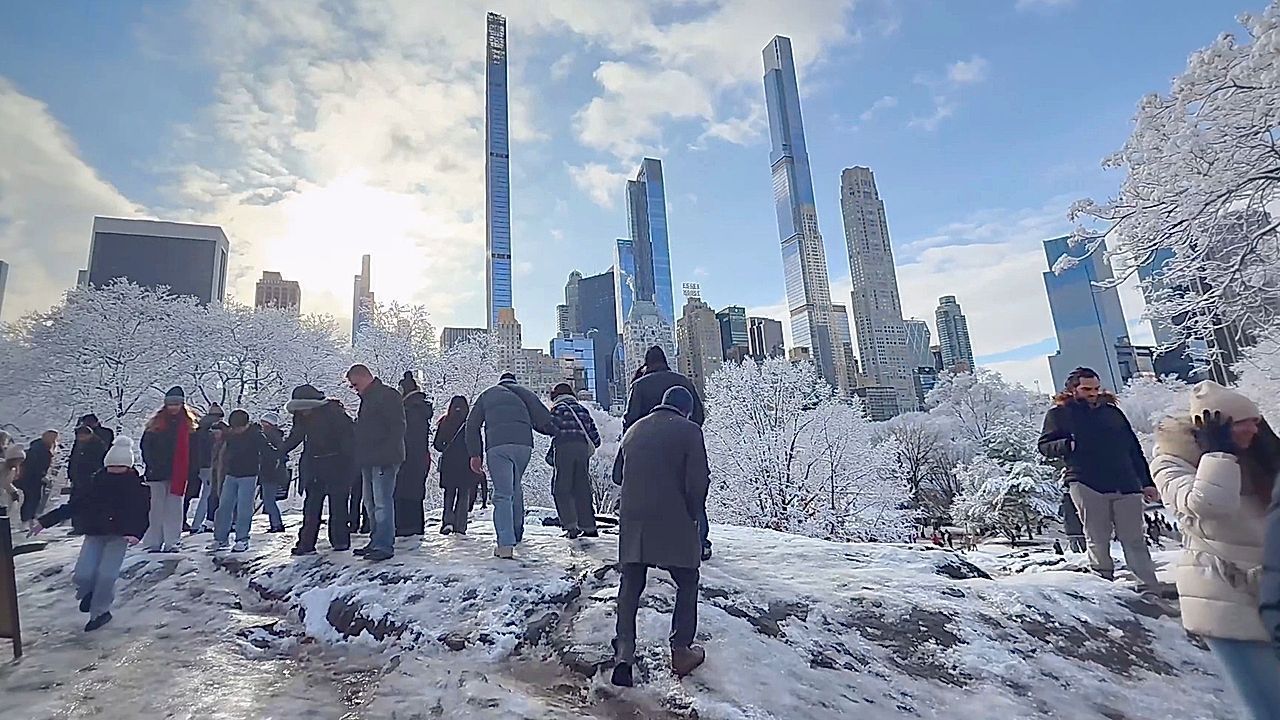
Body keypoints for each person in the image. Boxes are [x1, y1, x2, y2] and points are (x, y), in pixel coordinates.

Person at [1151, 381, 1280, 717]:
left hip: (1270, 591)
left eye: (1257, 421)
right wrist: (1219, 455)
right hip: (1224, 597)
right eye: (1243, 423)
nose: (1253, 428)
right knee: (1269, 706)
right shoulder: (1171, 462)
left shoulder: (1259, 455)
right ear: (1215, 429)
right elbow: (1210, 504)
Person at [610, 386, 710, 687]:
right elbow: (697, 482)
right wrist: (694, 516)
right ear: (686, 410)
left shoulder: (633, 431)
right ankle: (681, 651)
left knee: (630, 584)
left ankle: (624, 653)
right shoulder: (690, 431)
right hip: (673, 518)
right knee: (688, 579)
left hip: (634, 520)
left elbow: (617, 476)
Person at [1037, 367, 1160, 590]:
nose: (1093, 393)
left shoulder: (1112, 412)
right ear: (1073, 389)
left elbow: (1134, 448)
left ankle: (1150, 588)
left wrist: (1147, 482)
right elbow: (1044, 446)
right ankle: (1104, 587)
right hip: (1086, 481)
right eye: (1086, 389)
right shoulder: (1059, 414)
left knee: (1134, 539)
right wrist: (1068, 445)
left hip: (1126, 482)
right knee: (1097, 537)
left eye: (1095, 388)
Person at [29, 436, 148, 632]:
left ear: (128, 467)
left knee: (107, 576)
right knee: (83, 574)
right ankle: (88, 593)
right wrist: (45, 521)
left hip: (120, 536)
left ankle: (100, 613)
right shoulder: (96, 483)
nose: (115, 472)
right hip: (95, 532)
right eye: (112, 467)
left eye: (119, 468)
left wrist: (136, 533)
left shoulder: (137, 487)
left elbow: (142, 513)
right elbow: (75, 505)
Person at [622, 346, 711, 560]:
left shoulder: (639, 385)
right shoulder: (683, 382)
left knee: (651, 496)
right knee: (692, 489)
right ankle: (700, 541)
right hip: (683, 445)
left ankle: (651, 545)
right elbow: (699, 415)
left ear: (646, 363)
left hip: (647, 451)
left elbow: (629, 421)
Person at [466, 372, 555, 559]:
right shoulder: (525, 393)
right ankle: (517, 533)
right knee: (515, 487)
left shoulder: (487, 394)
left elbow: (472, 425)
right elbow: (546, 419)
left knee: (502, 494)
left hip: (498, 446)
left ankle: (505, 544)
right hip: (524, 446)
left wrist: (475, 454)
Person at [282, 384, 356, 556]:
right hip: (314, 466)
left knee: (338, 505)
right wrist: (281, 451)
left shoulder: (335, 415)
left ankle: (340, 541)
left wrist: (348, 465)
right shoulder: (302, 417)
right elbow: (296, 436)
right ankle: (306, 544)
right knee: (311, 506)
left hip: (337, 465)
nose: (303, 413)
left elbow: (348, 442)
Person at [347, 364, 406, 562]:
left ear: (364, 377)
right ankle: (376, 540)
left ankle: (383, 543)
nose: (354, 389)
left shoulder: (386, 396)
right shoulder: (371, 398)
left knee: (381, 502)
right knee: (371, 503)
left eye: (355, 384)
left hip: (383, 458)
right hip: (370, 457)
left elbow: (397, 427)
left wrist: (386, 452)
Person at [141, 387, 199, 553]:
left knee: (175, 508)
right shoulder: (155, 425)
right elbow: (146, 447)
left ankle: (172, 541)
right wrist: (151, 465)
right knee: (156, 508)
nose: (173, 407)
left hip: (179, 473)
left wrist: (192, 470)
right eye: (170, 404)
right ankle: (154, 541)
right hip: (157, 472)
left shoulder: (189, 426)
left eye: (176, 404)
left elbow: (194, 451)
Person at [209, 409, 275, 552]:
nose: (237, 430)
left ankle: (242, 538)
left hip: (249, 475)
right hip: (231, 474)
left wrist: (271, 464)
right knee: (224, 506)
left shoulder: (256, 435)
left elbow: (268, 452)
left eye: (239, 427)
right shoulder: (231, 435)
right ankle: (220, 539)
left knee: (244, 508)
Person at [549, 383, 602, 540]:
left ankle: (570, 526)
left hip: (564, 447)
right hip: (582, 450)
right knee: (582, 488)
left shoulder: (558, 409)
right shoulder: (582, 410)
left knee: (562, 488)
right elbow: (596, 438)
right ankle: (589, 526)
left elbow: (551, 428)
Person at [435, 395, 481, 535]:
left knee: (449, 493)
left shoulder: (445, 422)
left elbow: (437, 444)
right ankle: (460, 525)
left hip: (449, 465)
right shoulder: (470, 424)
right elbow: (478, 444)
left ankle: (447, 521)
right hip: (466, 465)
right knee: (463, 494)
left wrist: (446, 448)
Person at [394, 372, 432, 537]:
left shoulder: (409, 410)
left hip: (407, 457)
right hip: (419, 457)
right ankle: (414, 527)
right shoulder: (419, 408)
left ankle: (407, 528)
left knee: (405, 491)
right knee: (415, 492)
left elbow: (408, 436)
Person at [187, 404, 227, 534]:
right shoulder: (217, 428)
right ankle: (198, 524)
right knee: (209, 495)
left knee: (205, 495)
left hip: (198, 465)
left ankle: (197, 523)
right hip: (211, 465)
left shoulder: (198, 427)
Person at [16, 430, 58, 527]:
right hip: (32, 479)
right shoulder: (41, 450)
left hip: (31, 478)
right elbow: (35, 465)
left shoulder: (38, 447)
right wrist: (41, 475)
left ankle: (28, 520)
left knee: (31, 499)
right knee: (32, 499)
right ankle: (27, 520)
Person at [258, 412, 288, 534]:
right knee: (269, 500)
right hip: (272, 473)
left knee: (268, 500)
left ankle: (276, 524)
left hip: (270, 473)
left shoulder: (269, 437)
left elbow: (273, 455)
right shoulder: (276, 437)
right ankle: (275, 523)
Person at [2, 442, 26, 525]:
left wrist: (13, 491)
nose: (18, 464)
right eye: (18, 461)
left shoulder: (11, 470)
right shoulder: (2, 467)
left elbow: (6, 483)